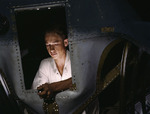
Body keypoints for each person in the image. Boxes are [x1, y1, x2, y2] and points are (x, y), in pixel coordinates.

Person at [32, 27, 72, 99]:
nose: (51, 49)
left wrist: (52, 87)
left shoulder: (78, 60)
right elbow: (38, 91)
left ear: (65, 42)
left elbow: (81, 82)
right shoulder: (45, 64)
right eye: (48, 45)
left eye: (55, 44)